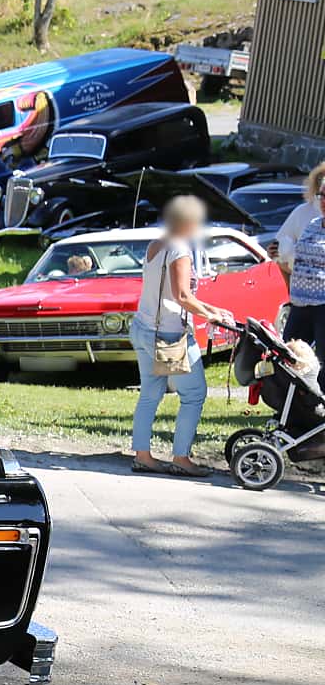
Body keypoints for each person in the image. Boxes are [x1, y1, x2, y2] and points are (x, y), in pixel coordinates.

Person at [131, 194, 233, 477]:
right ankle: (181, 458)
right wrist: (210, 315)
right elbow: (182, 295)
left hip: (143, 328)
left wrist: (213, 308)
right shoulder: (180, 249)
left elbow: (169, 294)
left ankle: (143, 456)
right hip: (168, 335)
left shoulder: (156, 245)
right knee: (194, 394)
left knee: (150, 394)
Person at [277, 161, 325, 356]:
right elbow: (296, 259)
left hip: (323, 307)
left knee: (322, 362)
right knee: (289, 355)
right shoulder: (313, 223)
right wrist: (287, 253)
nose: (322, 200)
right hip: (300, 304)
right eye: (321, 195)